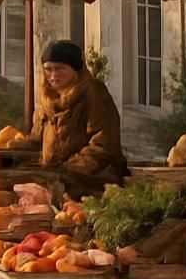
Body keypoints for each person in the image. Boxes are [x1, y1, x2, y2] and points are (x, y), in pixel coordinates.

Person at [28, 40, 126, 196]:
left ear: (76, 69)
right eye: (48, 69)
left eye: (60, 69)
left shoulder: (94, 94)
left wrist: (69, 170)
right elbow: (37, 140)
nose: (53, 76)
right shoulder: (47, 99)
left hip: (92, 183)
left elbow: (104, 143)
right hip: (53, 183)